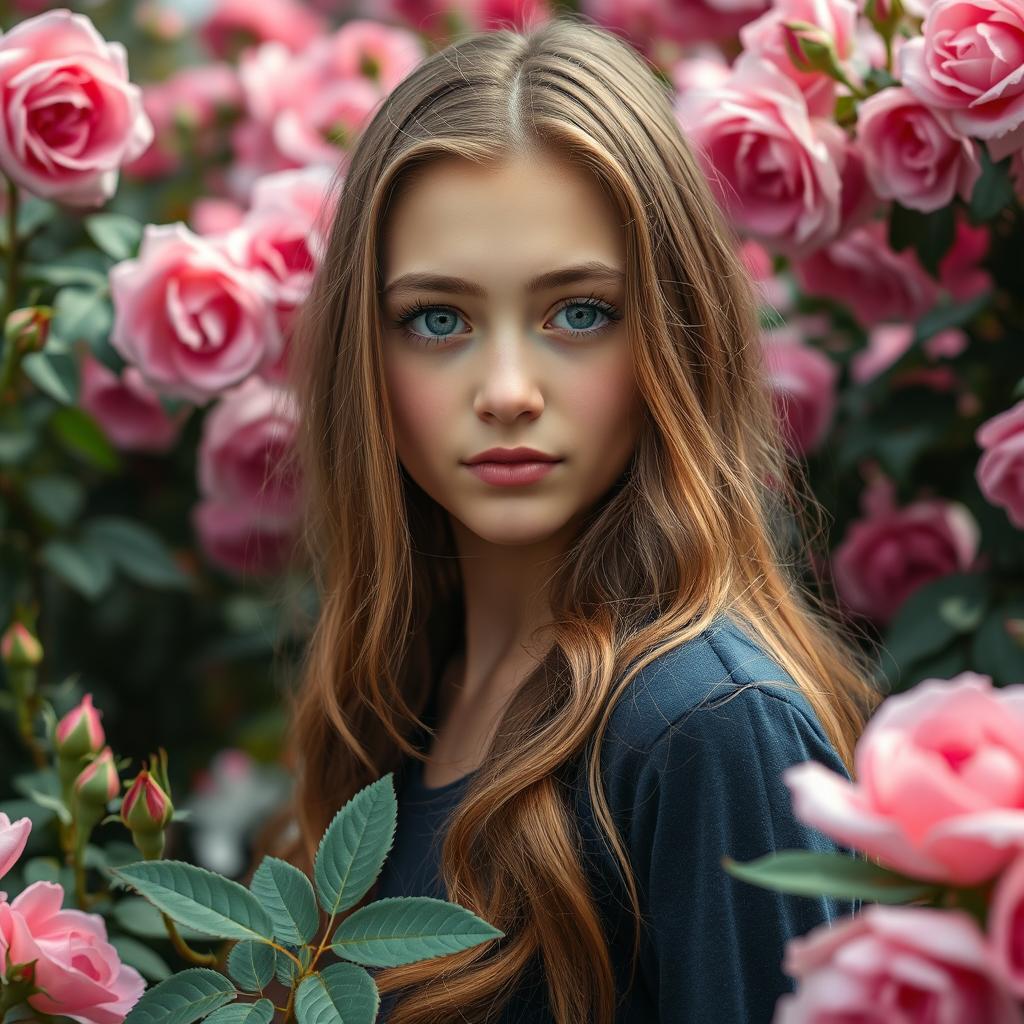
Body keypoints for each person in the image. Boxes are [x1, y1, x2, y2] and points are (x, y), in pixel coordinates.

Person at [250, 13, 884, 1023]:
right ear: (364, 357)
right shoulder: (403, 702)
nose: (506, 389)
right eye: (437, 319)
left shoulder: (706, 729)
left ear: (677, 336)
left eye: (578, 312)